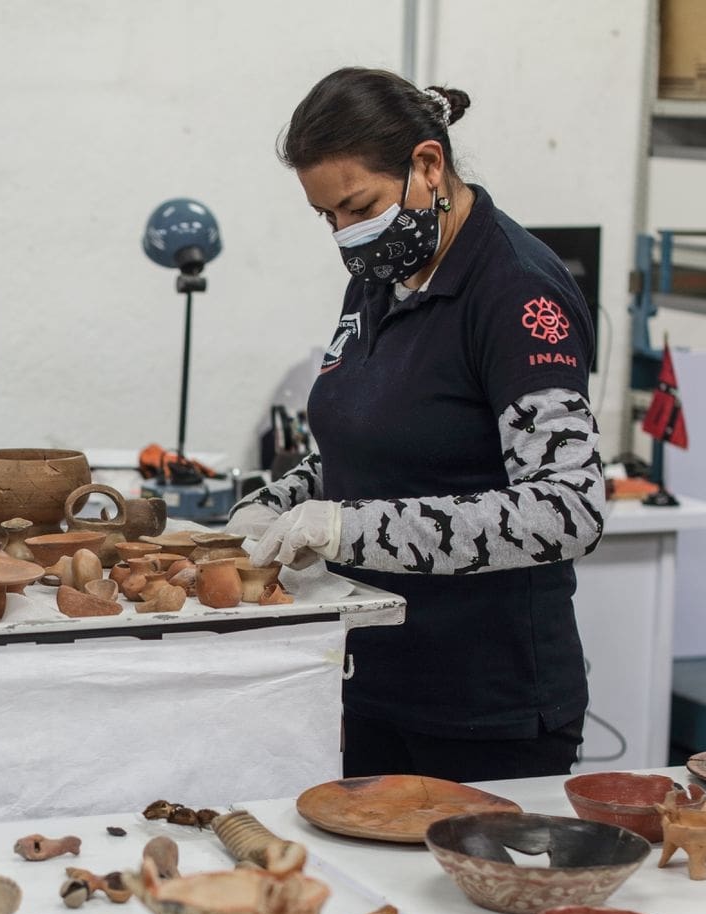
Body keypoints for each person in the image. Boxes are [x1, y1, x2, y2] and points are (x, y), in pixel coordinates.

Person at [229, 67, 604, 782]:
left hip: (483, 706)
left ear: (428, 165)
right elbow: (375, 443)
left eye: (358, 206)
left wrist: (346, 529)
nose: (346, 235)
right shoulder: (378, 278)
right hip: (369, 680)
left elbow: (567, 510)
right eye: (327, 218)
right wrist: (277, 503)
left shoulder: (516, 292)